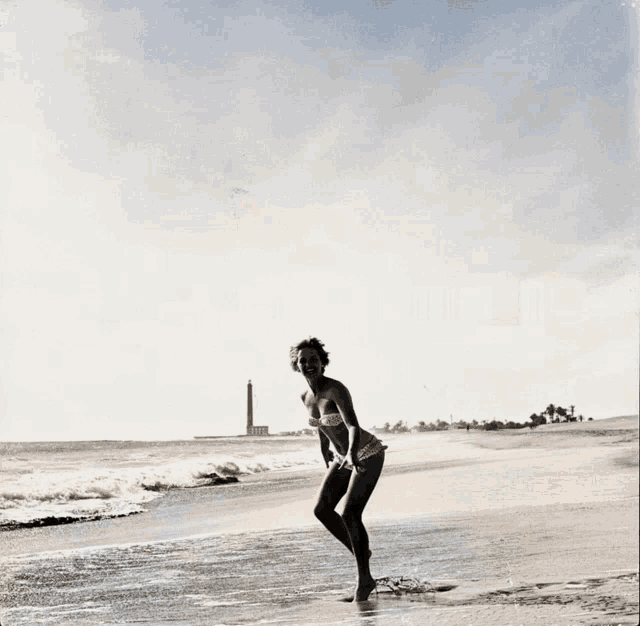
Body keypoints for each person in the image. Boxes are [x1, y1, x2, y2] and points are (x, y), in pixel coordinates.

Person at [289, 337, 387, 602]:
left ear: (323, 362)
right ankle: (360, 553)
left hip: (366, 452)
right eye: (303, 361)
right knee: (321, 509)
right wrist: (324, 452)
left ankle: (364, 580)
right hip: (342, 456)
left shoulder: (336, 389)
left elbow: (352, 425)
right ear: (296, 366)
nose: (308, 364)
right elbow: (321, 426)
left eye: (313, 360)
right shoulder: (305, 396)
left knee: (350, 514)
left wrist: (353, 454)